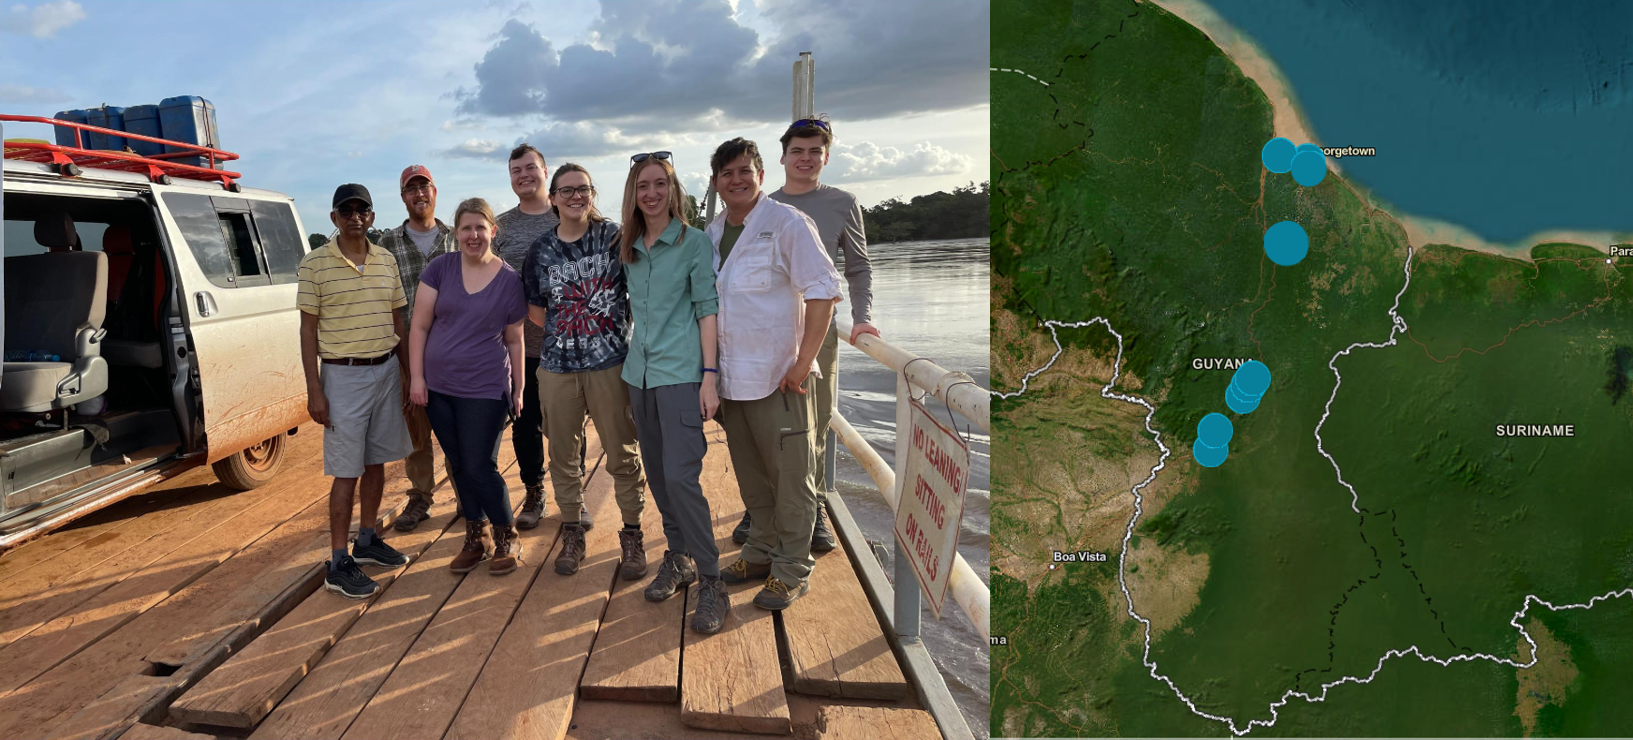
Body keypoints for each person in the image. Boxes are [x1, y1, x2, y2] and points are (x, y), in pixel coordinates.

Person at [706, 138, 842, 611]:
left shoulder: (787, 223)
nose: (737, 180)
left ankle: (791, 568)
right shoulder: (713, 232)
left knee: (792, 479)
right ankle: (760, 551)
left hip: (781, 378)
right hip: (733, 380)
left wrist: (804, 362)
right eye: (727, 174)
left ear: (761, 175)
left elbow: (823, 292)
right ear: (717, 183)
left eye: (745, 171)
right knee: (753, 476)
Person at [746, 116, 876, 553]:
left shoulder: (841, 202)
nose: (805, 159)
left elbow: (857, 266)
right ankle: (761, 507)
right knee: (761, 421)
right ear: (782, 157)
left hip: (818, 331)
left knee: (814, 421)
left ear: (825, 157)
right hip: (765, 330)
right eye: (797, 151)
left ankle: (815, 505)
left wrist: (862, 318)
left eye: (814, 152)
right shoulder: (762, 206)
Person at [620, 151, 728, 634]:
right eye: (643, 185)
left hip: (682, 376)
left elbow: (708, 309)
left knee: (682, 478)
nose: (652, 193)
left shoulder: (694, 243)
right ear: (633, 193)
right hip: (638, 375)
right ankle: (679, 557)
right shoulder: (629, 246)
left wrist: (710, 376)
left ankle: (712, 581)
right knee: (660, 480)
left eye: (660, 183)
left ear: (673, 188)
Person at [522, 163, 647, 578]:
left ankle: (632, 535)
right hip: (557, 367)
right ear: (553, 198)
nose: (576, 196)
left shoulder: (613, 237)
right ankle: (573, 530)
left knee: (622, 453)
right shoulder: (541, 250)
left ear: (592, 194)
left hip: (610, 365)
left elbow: (638, 288)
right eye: (567, 190)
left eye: (583, 189)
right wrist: (572, 331)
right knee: (562, 454)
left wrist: (603, 332)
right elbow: (536, 310)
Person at [298, 184, 413, 599]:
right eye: (345, 210)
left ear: (371, 215)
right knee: (347, 469)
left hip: (385, 371)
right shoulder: (314, 264)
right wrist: (315, 390)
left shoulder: (385, 260)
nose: (354, 217)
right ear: (333, 218)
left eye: (361, 209)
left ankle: (366, 540)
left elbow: (397, 321)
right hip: (342, 376)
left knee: (378, 459)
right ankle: (336, 561)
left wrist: (406, 374)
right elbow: (307, 330)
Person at [408, 198, 529, 576]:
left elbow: (515, 340)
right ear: (456, 233)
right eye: (466, 228)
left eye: (480, 227)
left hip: (485, 387)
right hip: (439, 387)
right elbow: (420, 327)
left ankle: (506, 532)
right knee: (459, 463)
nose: (473, 235)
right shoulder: (440, 268)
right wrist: (417, 378)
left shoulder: (509, 280)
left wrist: (519, 388)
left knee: (479, 465)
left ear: (493, 231)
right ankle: (476, 536)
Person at [493, 144, 585, 530]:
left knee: (569, 423)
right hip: (520, 346)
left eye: (531, 167)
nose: (524, 175)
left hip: (567, 344)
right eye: (516, 170)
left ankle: (575, 497)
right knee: (525, 421)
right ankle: (534, 490)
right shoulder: (500, 226)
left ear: (546, 172)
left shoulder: (569, 213)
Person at [375, 164, 456, 531]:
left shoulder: (457, 238)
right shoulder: (386, 245)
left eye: (424, 187)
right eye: (411, 189)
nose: (419, 194)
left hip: (456, 354)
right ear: (403, 196)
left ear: (435, 192)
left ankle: (466, 494)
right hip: (408, 353)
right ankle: (420, 496)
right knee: (415, 432)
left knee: (458, 431)